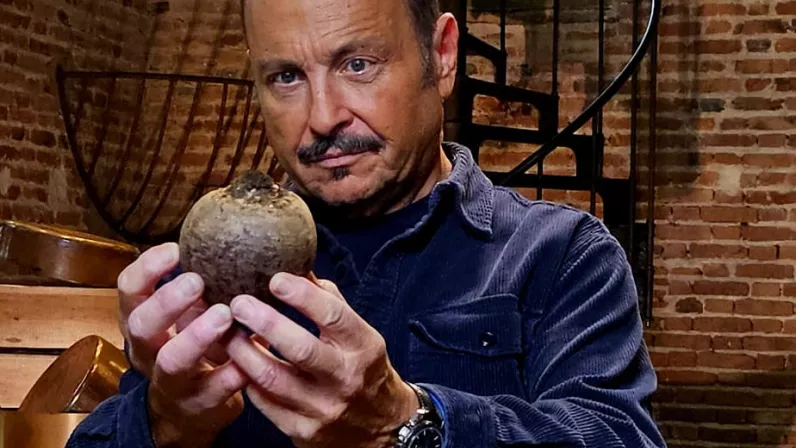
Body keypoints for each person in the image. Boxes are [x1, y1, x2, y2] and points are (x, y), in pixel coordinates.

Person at [67, 0, 666, 446]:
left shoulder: (564, 256)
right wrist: (167, 423)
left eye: (357, 64)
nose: (322, 117)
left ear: (443, 56)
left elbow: (618, 436)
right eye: (286, 77)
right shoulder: (211, 265)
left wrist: (406, 425)